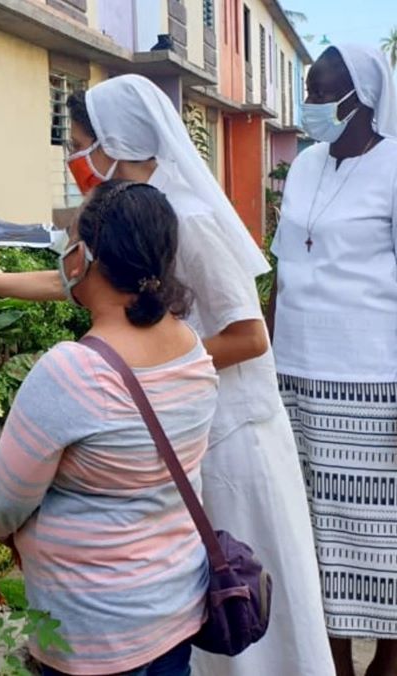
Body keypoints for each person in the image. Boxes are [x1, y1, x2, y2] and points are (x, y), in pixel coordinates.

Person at [0, 74, 333, 676]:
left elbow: (248, 335)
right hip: (166, 425)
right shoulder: (125, 224)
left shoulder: (186, 219)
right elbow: (70, 280)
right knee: (174, 597)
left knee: (232, 604)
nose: (72, 157)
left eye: (79, 141)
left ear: (113, 141)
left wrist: (142, 373)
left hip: (221, 434)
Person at [0, 180, 216, 675]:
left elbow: (2, 504)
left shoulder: (71, 373)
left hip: (94, 632)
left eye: (70, 238)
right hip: (176, 610)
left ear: (84, 257)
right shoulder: (193, 351)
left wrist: (15, 539)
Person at [271, 44, 397, 676]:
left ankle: (388, 659)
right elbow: (283, 269)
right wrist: (266, 361)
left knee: (375, 533)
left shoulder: (396, 166)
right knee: (311, 528)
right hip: (295, 376)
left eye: (320, 93)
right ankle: (335, 659)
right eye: (309, 91)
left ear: (360, 98)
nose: (310, 105)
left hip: (373, 382)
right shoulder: (305, 164)